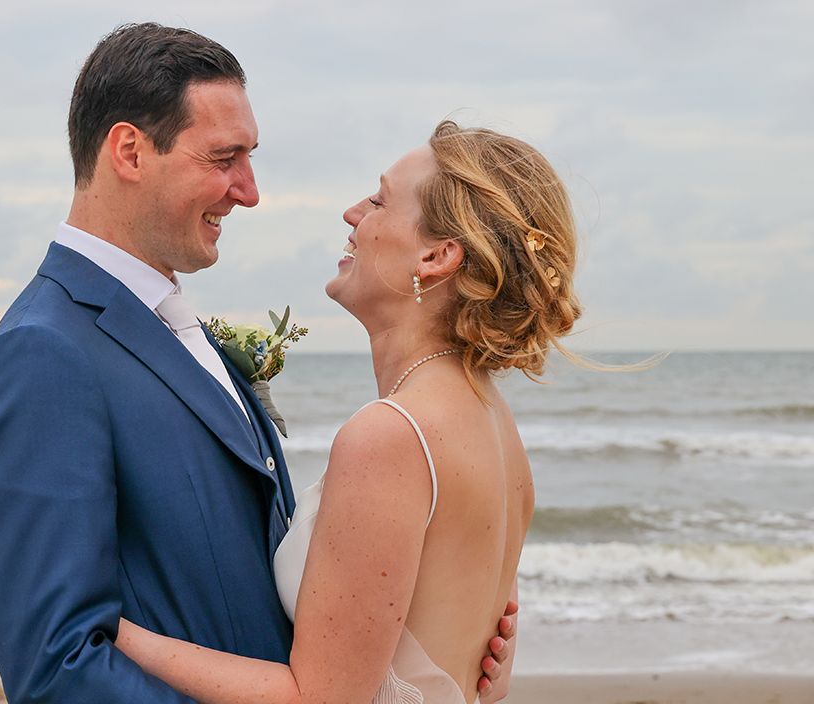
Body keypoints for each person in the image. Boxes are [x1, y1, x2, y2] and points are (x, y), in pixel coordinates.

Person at [0, 23, 514, 703]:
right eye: (225, 158)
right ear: (130, 151)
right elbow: (56, 669)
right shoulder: (44, 353)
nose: (248, 191)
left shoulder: (175, 330)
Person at [114, 120, 578, 703]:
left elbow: (320, 699)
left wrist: (116, 627)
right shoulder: (496, 424)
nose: (353, 213)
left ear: (437, 256)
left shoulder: (392, 437)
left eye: (380, 200)